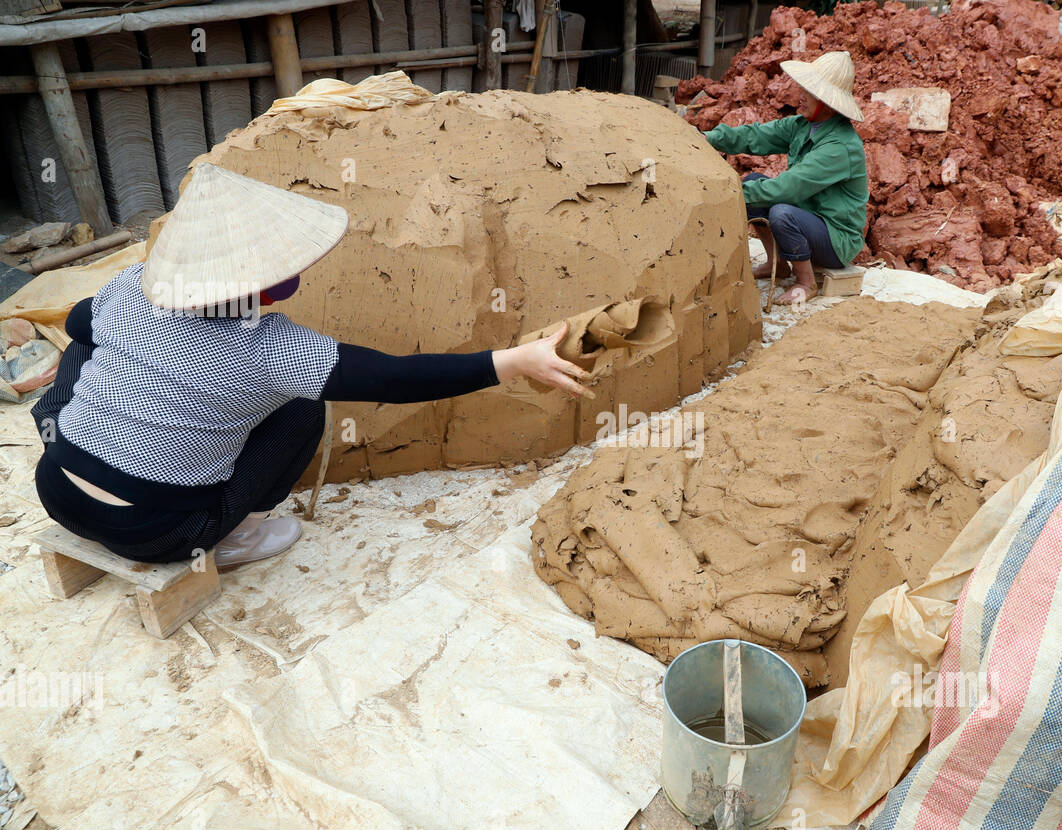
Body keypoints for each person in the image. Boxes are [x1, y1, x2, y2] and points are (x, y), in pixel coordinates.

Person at [32, 164, 591, 570]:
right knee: (302, 407)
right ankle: (232, 537)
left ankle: (66, 430)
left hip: (56, 489)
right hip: (160, 531)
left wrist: (150, 359)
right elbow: (395, 379)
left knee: (86, 338)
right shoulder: (271, 349)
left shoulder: (130, 286)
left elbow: (81, 326)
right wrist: (517, 360)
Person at [703, 50, 869, 305]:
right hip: (807, 217)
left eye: (809, 93)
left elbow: (790, 188)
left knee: (781, 212)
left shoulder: (841, 146)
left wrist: (726, 193)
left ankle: (806, 283)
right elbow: (756, 136)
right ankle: (778, 264)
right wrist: (707, 139)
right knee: (752, 186)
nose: (800, 97)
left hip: (836, 238)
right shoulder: (802, 125)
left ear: (826, 102)